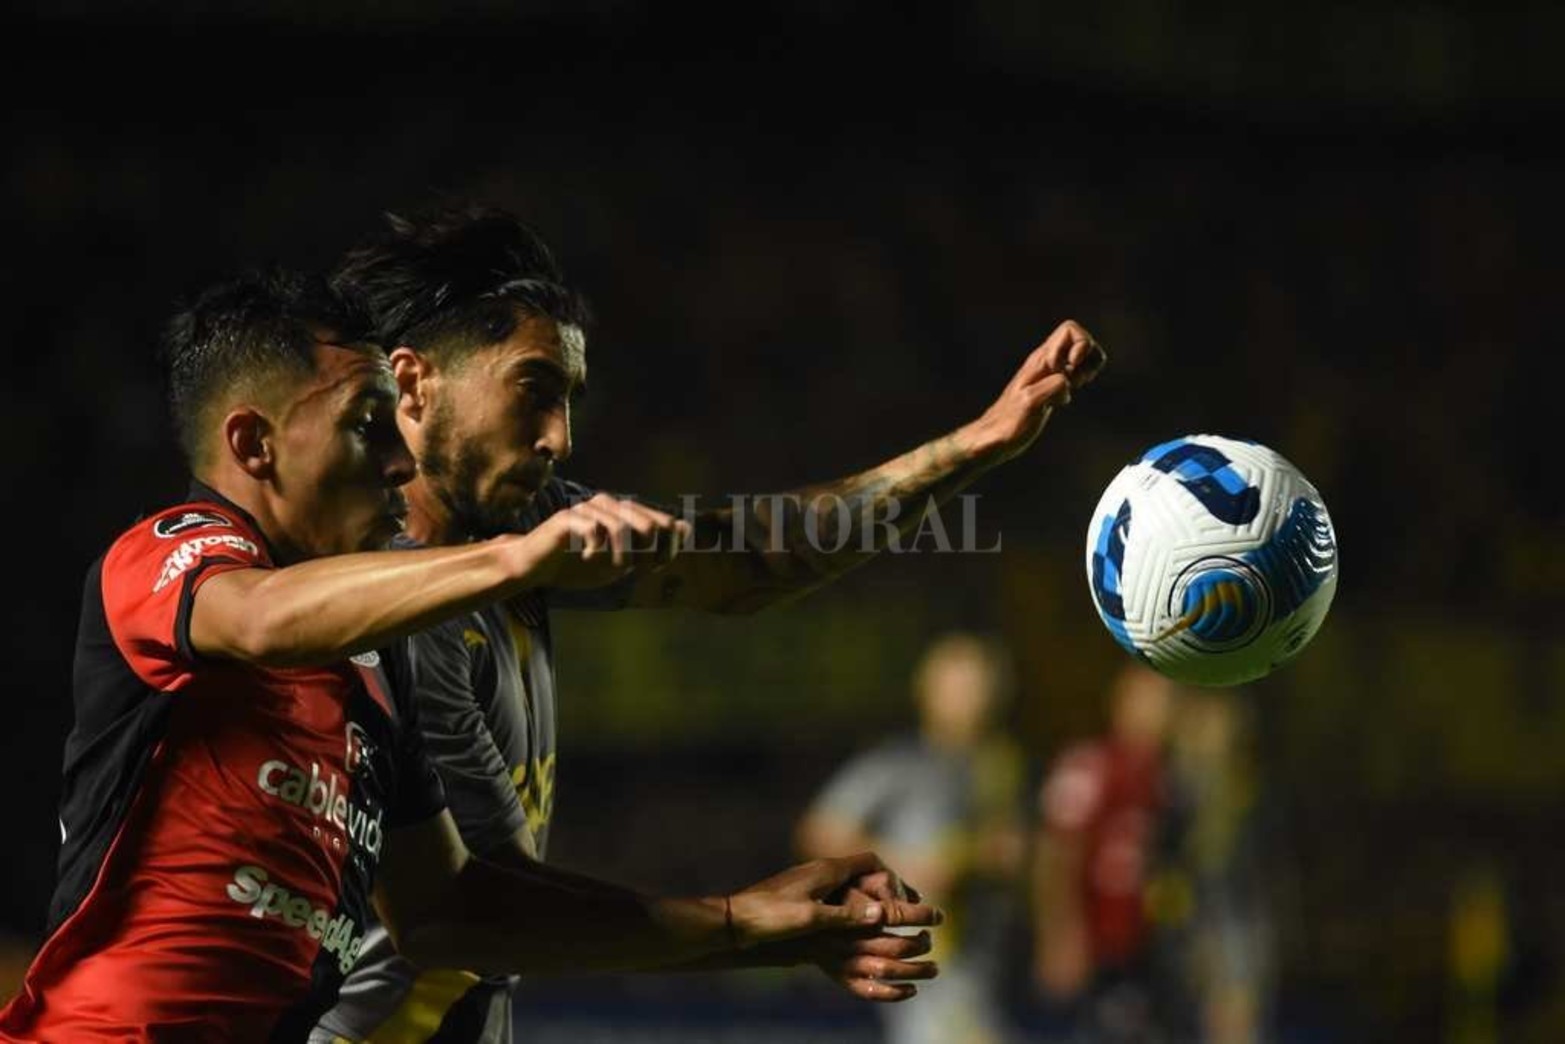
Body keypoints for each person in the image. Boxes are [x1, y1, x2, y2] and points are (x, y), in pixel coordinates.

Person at [0, 269, 943, 1043]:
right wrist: (517, 556)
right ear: (253, 444)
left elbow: (454, 911)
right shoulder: (168, 552)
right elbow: (255, 620)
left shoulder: (370, 674)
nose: (400, 464)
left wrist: (747, 926)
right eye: (368, 426)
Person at [311, 205, 1109, 1042]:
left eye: (571, 401)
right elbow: (462, 910)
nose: (561, 438)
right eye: (534, 390)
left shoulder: (518, 526)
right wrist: (742, 923)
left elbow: (748, 557)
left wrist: (972, 446)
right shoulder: (389, 606)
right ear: (411, 385)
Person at [796, 633, 1029, 1044]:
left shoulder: (1006, 768)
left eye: (978, 687)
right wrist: (903, 862)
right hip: (930, 965)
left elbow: (1026, 851)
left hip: (997, 961)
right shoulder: (898, 764)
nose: (970, 700)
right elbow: (820, 830)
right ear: (926, 691)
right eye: (957, 687)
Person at [1033, 663, 1181, 1043]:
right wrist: (1062, 933)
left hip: (1141, 943)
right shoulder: (1091, 765)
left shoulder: (1166, 777)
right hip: (1094, 939)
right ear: (1121, 703)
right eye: (1149, 700)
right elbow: (1057, 851)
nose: (1158, 712)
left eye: (1167, 701)